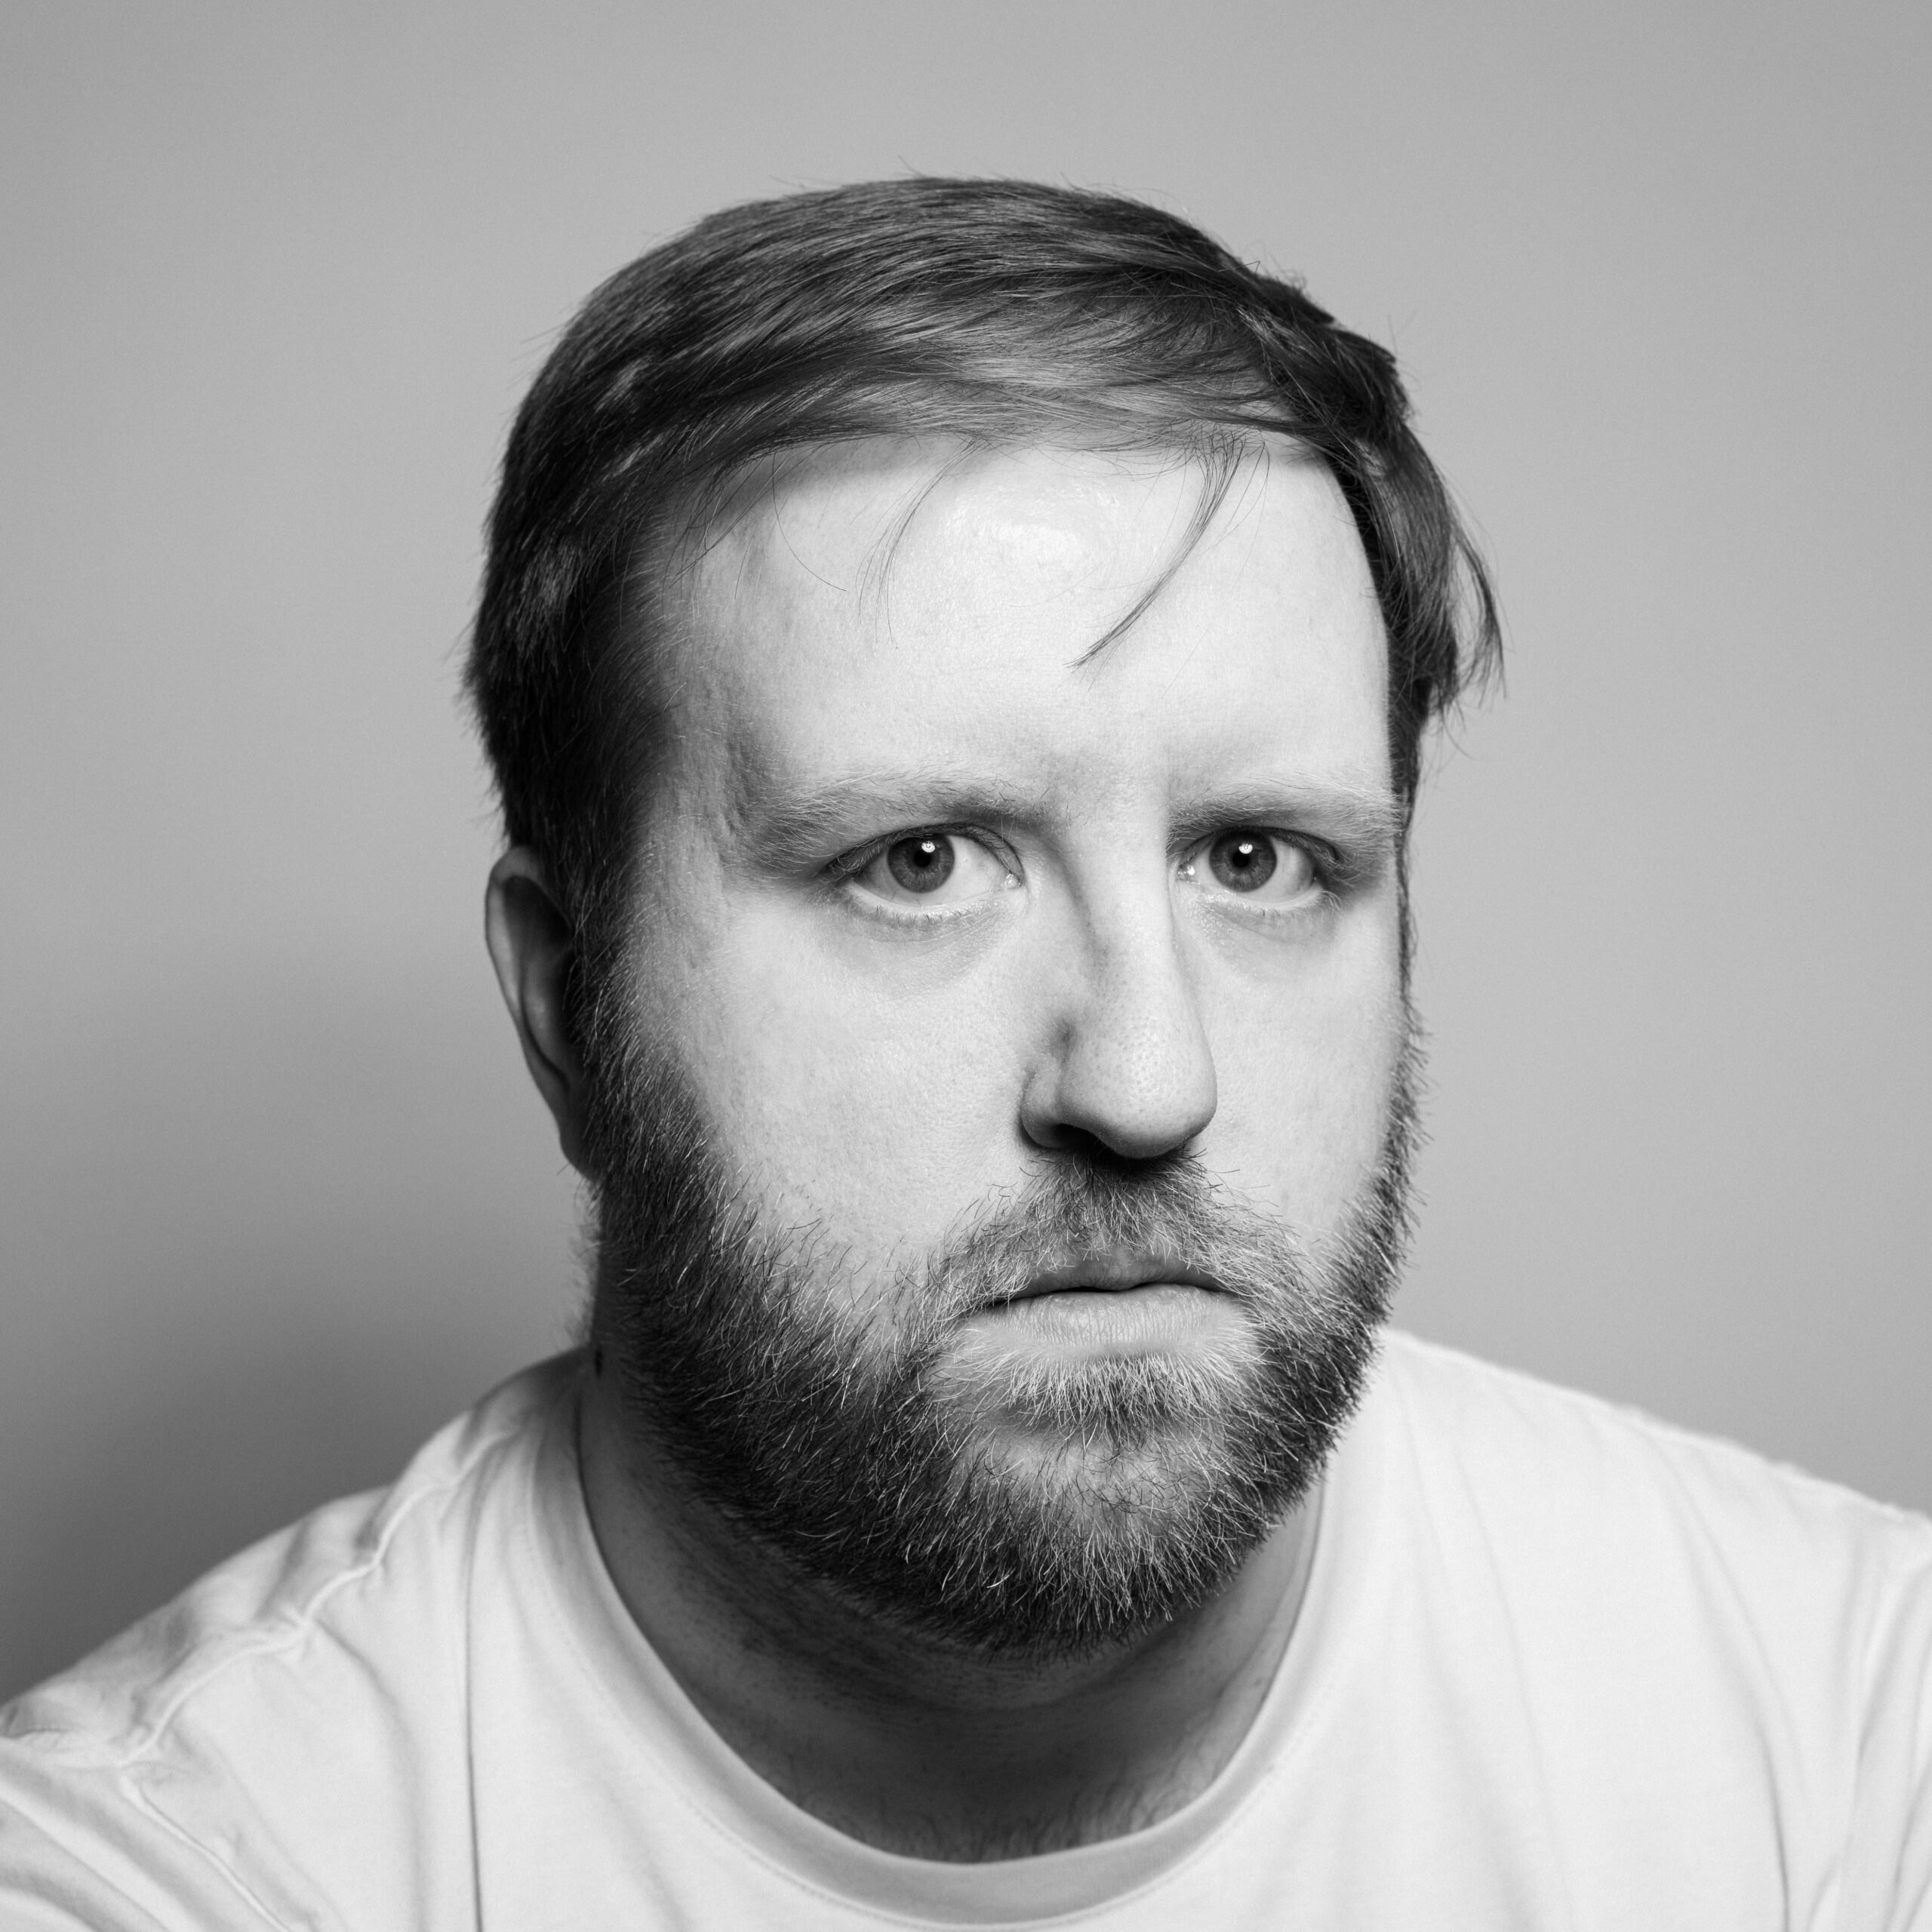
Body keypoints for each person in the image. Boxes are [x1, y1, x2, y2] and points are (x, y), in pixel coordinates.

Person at [1, 176, 1926, 1931]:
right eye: (915, 862)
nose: (1144, 1081)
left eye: (1257, 861)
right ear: (569, 1008)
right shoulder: (181, 1865)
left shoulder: (1844, 1742)